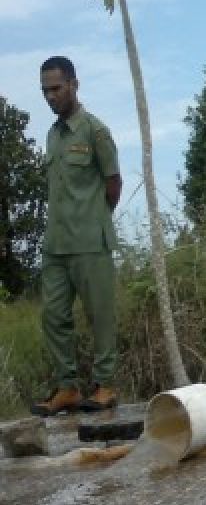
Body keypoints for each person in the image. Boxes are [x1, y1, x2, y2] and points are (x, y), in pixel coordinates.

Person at [31, 56, 123, 416]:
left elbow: (113, 183)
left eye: (56, 88)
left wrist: (95, 219)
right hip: (55, 245)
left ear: (73, 84)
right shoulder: (53, 135)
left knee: (100, 316)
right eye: (45, 91)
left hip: (90, 242)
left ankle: (105, 386)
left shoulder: (95, 131)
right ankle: (67, 388)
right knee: (53, 316)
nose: (50, 96)